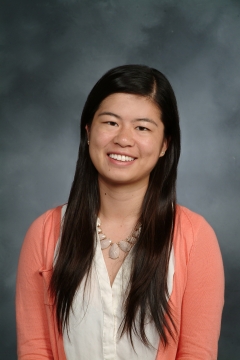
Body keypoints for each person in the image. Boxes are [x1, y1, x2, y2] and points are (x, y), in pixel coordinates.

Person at [16, 65, 224, 360]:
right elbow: (35, 350)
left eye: (142, 127)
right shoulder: (45, 232)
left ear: (165, 144)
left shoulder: (195, 237)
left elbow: (196, 353)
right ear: (88, 132)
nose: (123, 139)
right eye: (111, 123)